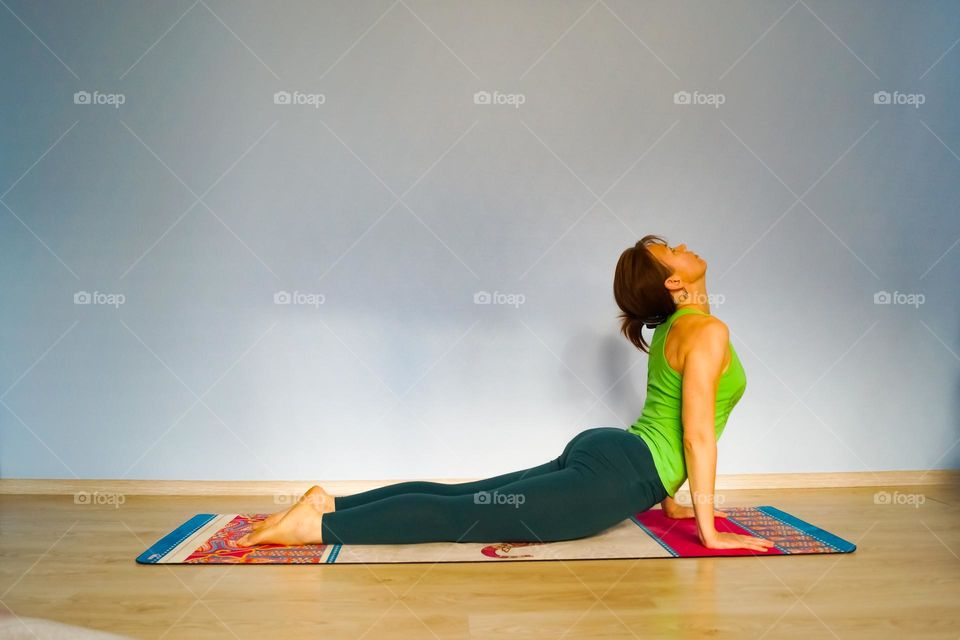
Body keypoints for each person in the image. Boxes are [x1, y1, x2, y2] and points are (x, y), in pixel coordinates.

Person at [237, 236, 774, 552]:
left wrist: (670, 501)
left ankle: (328, 502)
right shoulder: (706, 331)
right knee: (464, 515)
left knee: (465, 496)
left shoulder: (675, 331)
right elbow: (695, 433)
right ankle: (319, 523)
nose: (684, 247)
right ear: (675, 286)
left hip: (611, 452)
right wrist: (708, 529)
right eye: (671, 252)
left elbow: (667, 417)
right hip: (617, 470)